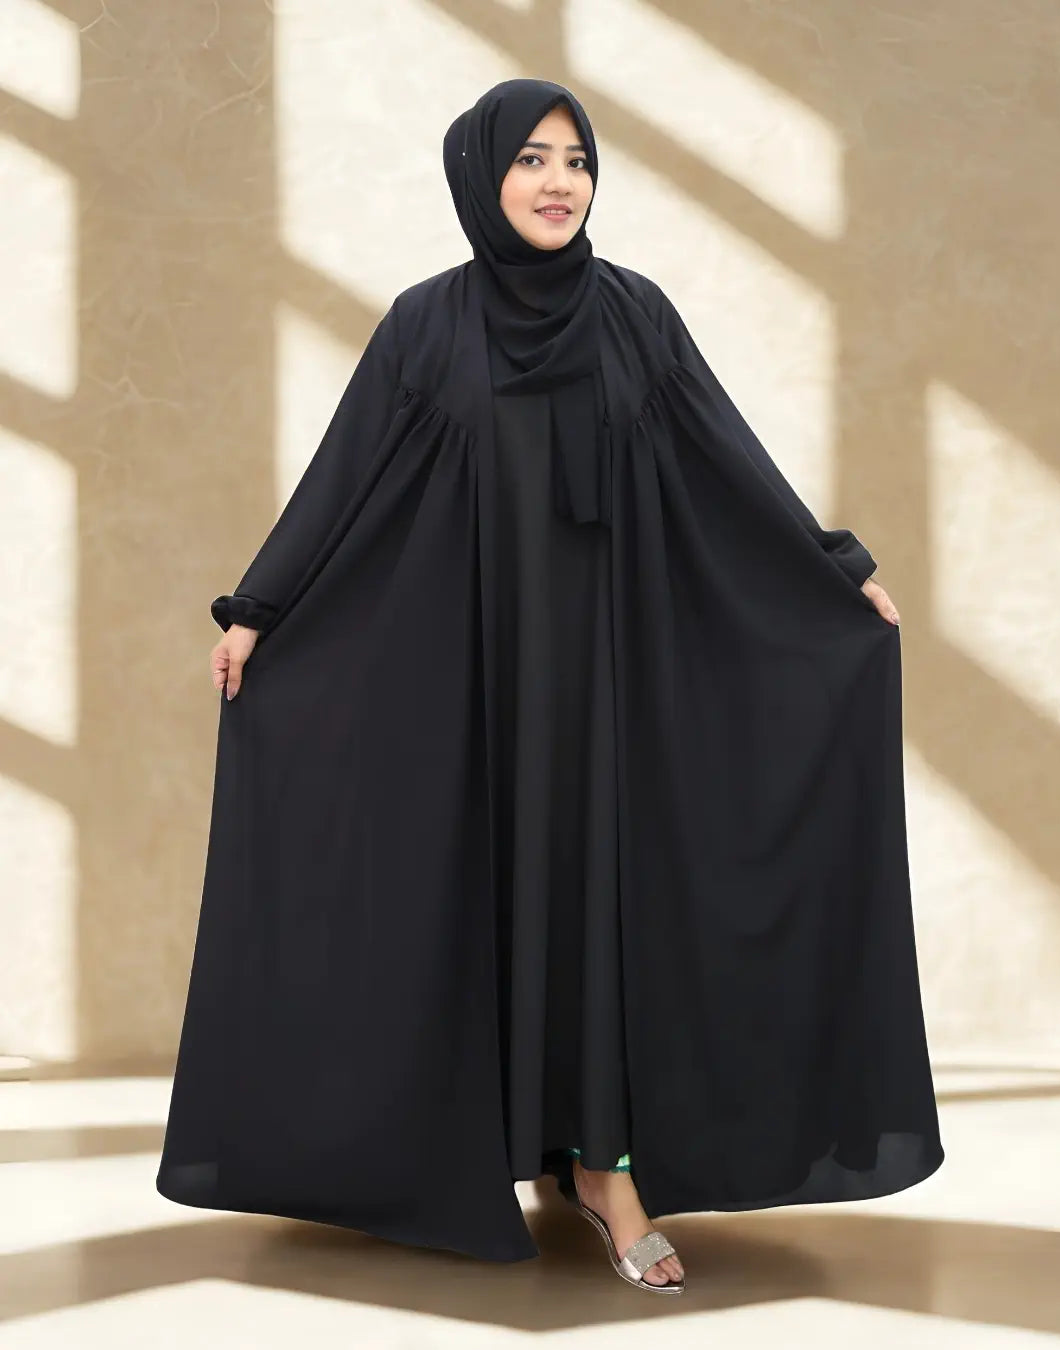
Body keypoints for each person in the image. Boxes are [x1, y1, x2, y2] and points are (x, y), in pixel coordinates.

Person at [156, 78, 942, 1294]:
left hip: (613, 668)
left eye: (575, 159)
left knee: (602, 899)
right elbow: (347, 473)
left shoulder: (637, 316)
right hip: (469, 673)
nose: (558, 181)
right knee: (485, 895)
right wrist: (259, 609)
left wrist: (831, 572)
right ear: (482, 174)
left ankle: (605, 1171)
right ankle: (511, 1149)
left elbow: (723, 451)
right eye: (530, 158)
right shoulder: (427, 325)